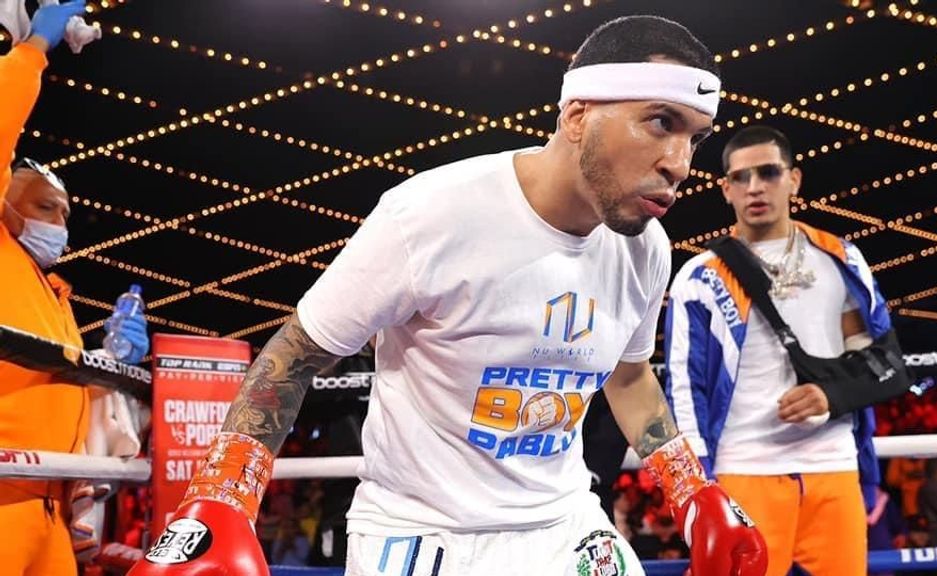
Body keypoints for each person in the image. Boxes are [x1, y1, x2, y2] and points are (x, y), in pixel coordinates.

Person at [130, 15, 767, 576]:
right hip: (424, 536)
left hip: (567, 525)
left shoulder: (645, 246)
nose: (680, 162)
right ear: (578, 116)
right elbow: (294, 355)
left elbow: (628, 377)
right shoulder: (428, 215)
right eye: (660, 123)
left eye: (695, 138)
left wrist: (691, 489)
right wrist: (222, 497)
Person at [666, 125, 897, 575]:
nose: (755, 187)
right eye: (741, 177)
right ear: (726, 189)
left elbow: (876, 359)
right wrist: (697, 487)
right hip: (742, 470)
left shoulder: (842, 259)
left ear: (793, 179)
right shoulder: (700, 276)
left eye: (768, 172)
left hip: (834, 465)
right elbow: (684, 387)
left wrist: (832, 395)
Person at [0, 2, 150, 574]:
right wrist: (32, 52)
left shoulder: (54, 294)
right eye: (44, 207)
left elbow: (53, 393)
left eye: (64, 213)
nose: (59, 224)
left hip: (48, 511)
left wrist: (110, 367)